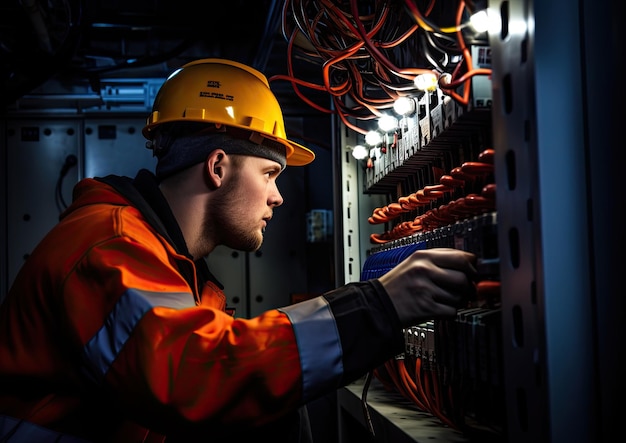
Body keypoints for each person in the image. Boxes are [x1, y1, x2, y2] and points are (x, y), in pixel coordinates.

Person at [0, 58, 477, 442]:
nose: (278, 196)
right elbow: (192, 377)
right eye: (269, 174)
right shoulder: (110, 244)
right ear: (217, 166)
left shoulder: (170, 265)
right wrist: (378, 307)